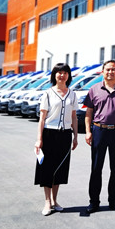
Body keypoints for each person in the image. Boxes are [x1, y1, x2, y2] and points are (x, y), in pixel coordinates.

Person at [84, 60, 115, 213]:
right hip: (99, 131)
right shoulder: (94, 89)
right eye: (107, 70)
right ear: (102, 72)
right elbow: (89, 112)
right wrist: (88, 131)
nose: (110, 72)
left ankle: (114, 201)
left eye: (113, 69)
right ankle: (94, 202)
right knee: (96, 168)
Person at [34, 63, 78, 216]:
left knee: (60, 168)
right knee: (47, 168)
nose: (62, 75)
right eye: (59, 72)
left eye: (65, 72)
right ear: (54, 75)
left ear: (68, 76)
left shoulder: (72, 94)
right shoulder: (48, 93)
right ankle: (47, 202)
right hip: (49, 134)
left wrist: (75, 136)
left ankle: (54, 200)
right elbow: (42, 118)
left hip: (65, 134)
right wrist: (39, 139)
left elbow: (74, 117)